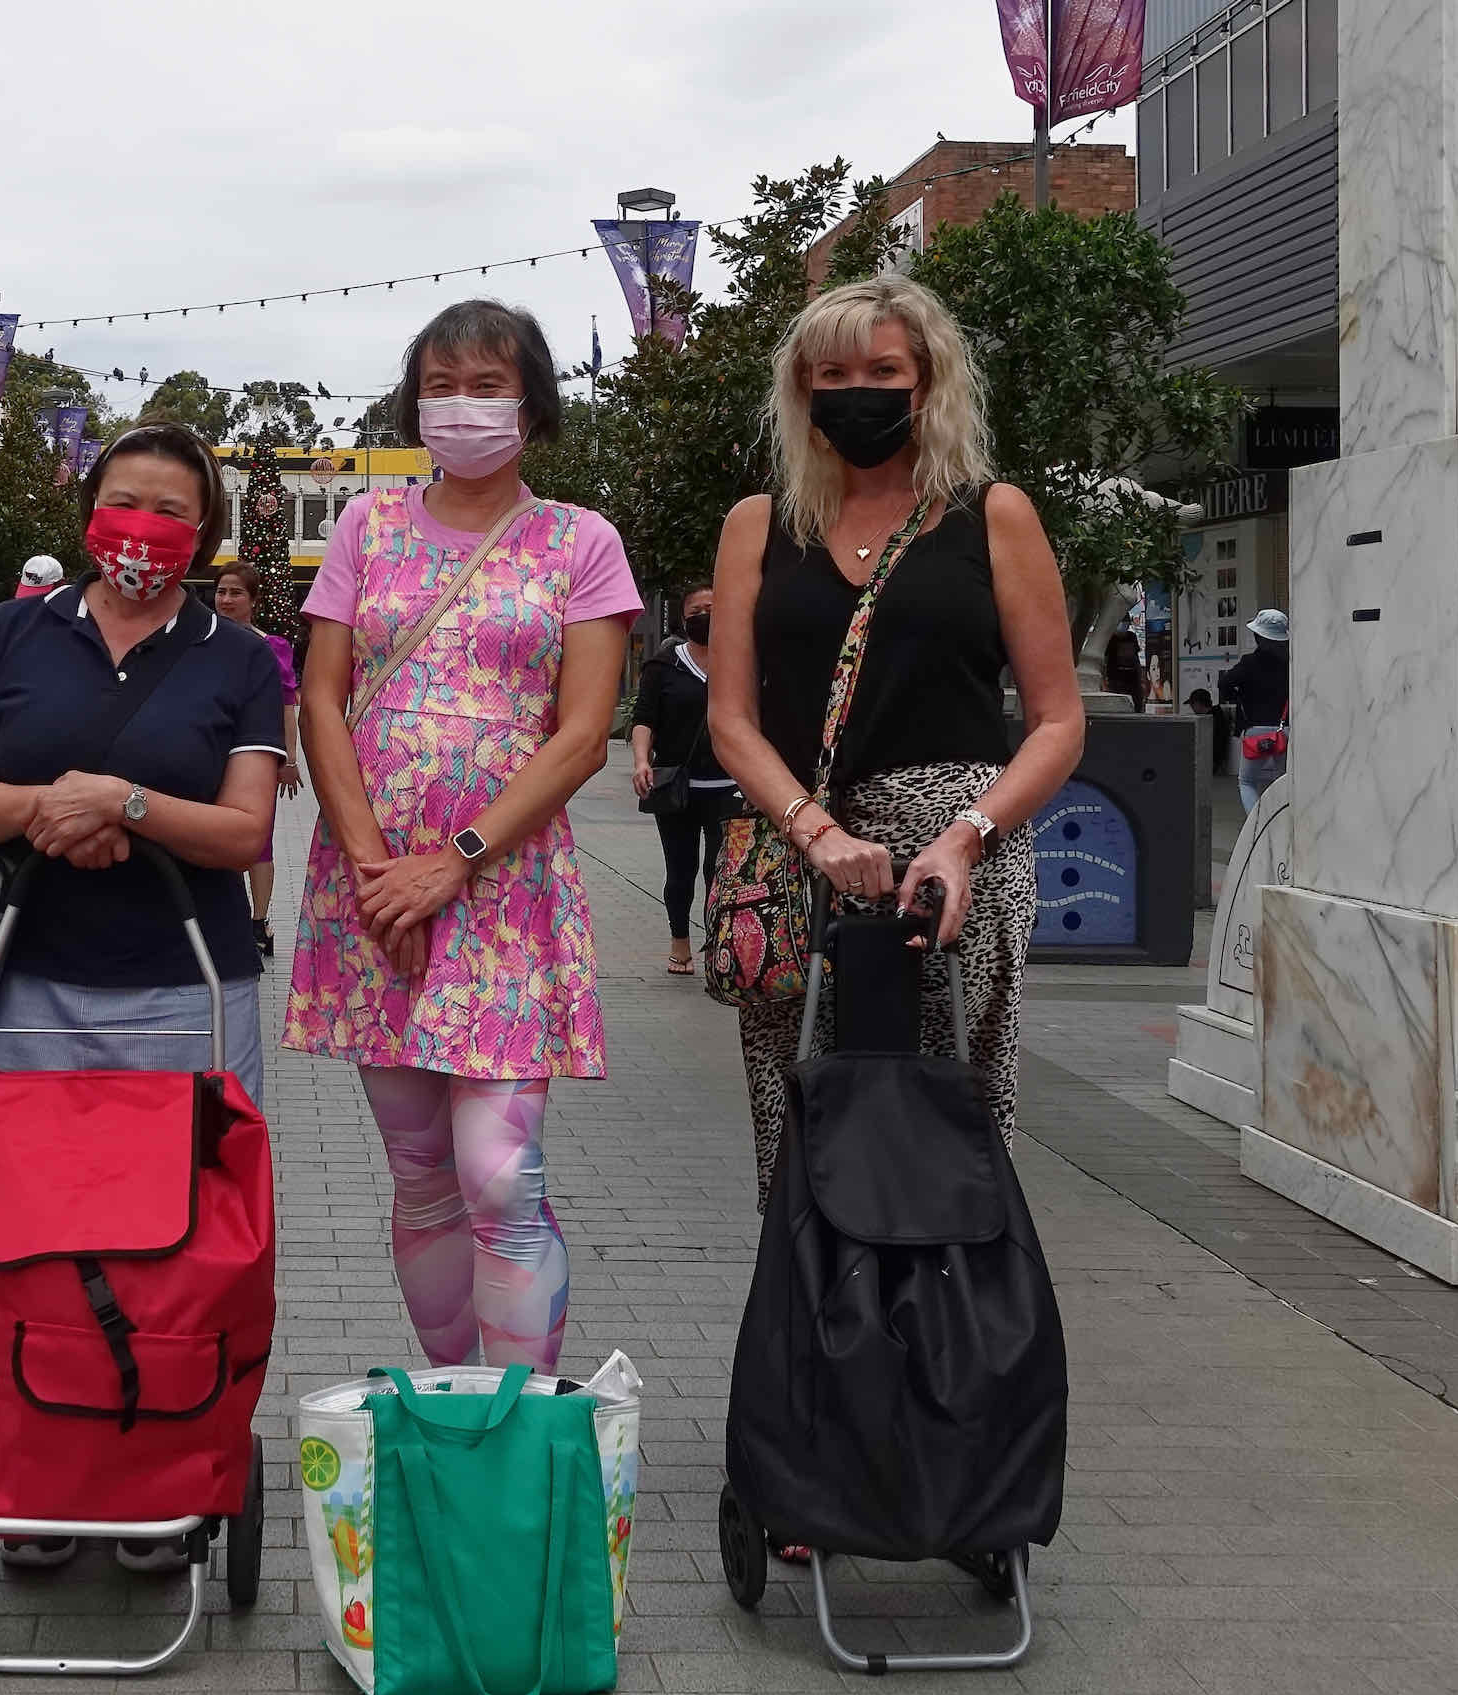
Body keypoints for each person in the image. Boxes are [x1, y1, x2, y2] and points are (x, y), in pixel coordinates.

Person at [0, 426, 283, 1573]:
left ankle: (161, 1472)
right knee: (28, 1241)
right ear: (87, 509)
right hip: (25, 985)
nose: (144, 527)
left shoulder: (237, 659)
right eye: (123, 499)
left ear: (204, 533)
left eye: (171, 510)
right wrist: (55, 809)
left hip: (189, 991)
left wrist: (121, 801)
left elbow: (244, 832)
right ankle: (35, 1467)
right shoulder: (11, 633)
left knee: (179, 1248)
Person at [285, 300, 640, 1377]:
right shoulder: (366, 527)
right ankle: (449, 1405)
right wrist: (371, 869)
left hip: (501, 887)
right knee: (420, 1174)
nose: (463, 406)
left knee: (497, 1175)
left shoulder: (581, 540)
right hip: (375, 889)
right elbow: (321, 696)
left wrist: (457, 861)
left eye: (488, 385)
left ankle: (516, 1420)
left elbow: (581, 736)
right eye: (443, 384)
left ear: (531, 401)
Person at [706, 273, 1082, 1215]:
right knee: (796, 1135)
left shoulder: (993, 515)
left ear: (927, 383)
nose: (858, 389)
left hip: (958, 863)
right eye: (832, 372)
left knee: (947, 1129)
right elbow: (730, 717)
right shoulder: (760, 526)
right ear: (802, 389)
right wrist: (815, 831)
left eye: (883, 368)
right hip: (798, 866)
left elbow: (1058, 721)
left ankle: (948, 1344)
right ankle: (814, 1346)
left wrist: (965, 837)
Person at [630, 585, 735, 975]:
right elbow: (644, 719)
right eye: (697, 609)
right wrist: (642, 762)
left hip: (729, 787)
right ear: (683, 617)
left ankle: (716, 943)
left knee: (720, 870)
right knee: (681, 868)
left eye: (713, 607)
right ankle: (679, 943)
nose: (706, 615)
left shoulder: (739, 661)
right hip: (677, 788)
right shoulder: (664, 666)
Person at [210, 566, 304, 960]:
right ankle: (223, 919)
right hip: (210, 754)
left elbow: (287, 708)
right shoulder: (201, 642)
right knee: (216, 836)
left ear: (253, 600)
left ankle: (257, 922)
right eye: (221, 592)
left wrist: (290, 759)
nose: (227, 600)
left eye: (236, 593)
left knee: (258, 839)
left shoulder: (273, 647)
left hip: (257, 757)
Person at [1221, 608, 1289, 811]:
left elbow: (1225, 683)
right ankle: (1281, 821)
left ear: (1259, 637)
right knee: (1282, 781)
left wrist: (1238, 696)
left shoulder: (1249, 662)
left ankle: (1256, 824)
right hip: (1284, 730)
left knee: (1247, 781)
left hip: (1255, 732)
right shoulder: (1290, 663)